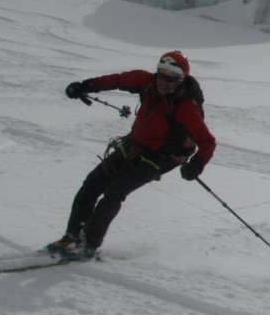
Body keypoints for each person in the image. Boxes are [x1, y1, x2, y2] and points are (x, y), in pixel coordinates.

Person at [48, 51, 217, 260]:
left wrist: (197, 164)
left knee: (113, 193)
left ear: (181, 78)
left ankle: (89, 244)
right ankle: (72, 237)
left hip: (158, 159)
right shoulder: (146, 82)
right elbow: (117, 80)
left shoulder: (185, 108)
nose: (163, 81)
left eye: (170, 76)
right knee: (91, 185)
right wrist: (85, 85)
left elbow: (208, 142)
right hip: (134, 146)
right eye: (161, 73)